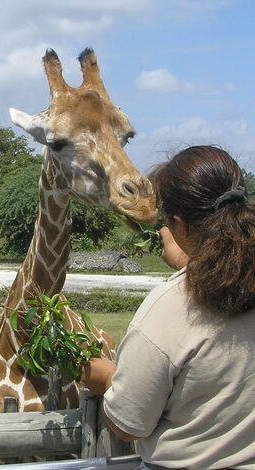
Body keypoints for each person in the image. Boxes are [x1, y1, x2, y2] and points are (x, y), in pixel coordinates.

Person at [81, 145, 254, 469]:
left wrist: (106, 379)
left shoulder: (168, 311)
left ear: (179, 225)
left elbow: (128, 423)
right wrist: (188, 261)